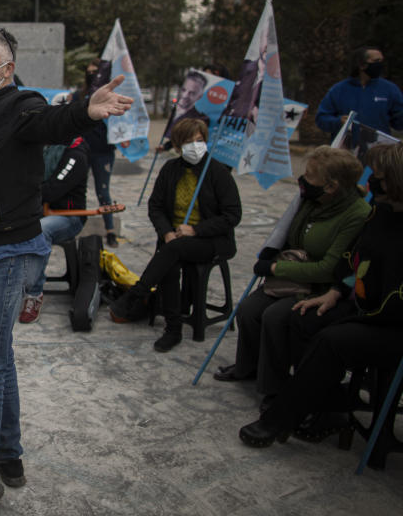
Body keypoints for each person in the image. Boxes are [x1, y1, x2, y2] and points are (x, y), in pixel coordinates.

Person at [0, 20, 132, 515]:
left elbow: (52, 123)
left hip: (9, 252)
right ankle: (8, 457)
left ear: (8, 69)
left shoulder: (22, 106)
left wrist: (85, 111)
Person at [238, 143, 403, 458]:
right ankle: (325, 405)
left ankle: (280, 419)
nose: (371, 183)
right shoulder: (381, 213)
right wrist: (337, 291)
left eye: (379, 177)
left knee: (330, 339)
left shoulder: (365, 213)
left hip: (390, 320)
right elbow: (352, 259)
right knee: (303, 318)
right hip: (361, 304)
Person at [213, 146, 370, 395]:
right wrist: (272, 253)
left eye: (309, 175)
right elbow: (289, 234)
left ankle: (273, 387)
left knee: (275, 317)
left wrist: (276, 267)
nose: (302, 180)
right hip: (292, 275)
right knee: (248, 310)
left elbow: (328, 268)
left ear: (331, 186)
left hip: (320, 286)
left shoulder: (356, 214)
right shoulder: (311, 201)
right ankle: (248, 366)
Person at [108, 119, 242, 351]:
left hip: (211, 241)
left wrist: (196, 229)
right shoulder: (171, 169)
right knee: (171, 256)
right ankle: (173, 328)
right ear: (178, 146)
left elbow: (232, 215)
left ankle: (137, 294)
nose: (196, 146)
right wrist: (167, 232)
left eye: (200, 141)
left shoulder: (217, 171)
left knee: (171, 251)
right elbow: (156, 206)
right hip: (175, 240)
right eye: (189, 142)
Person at [18, 135, 91, 324]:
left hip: (68, 216)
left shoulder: (76, 155)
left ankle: (33, 294)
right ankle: (12, 284)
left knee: (41, 230)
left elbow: (52, 190)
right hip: (40, 210)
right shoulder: (46, 149)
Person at [315, 46, 403, 138]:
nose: (380, 64)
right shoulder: (339, 90)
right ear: (361, 65)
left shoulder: (390, 89)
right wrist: (338, 121)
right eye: (376, 61)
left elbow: (398, 122)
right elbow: (321, 119)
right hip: (346, 148)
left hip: (379, 149)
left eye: (381, 61)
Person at [81, 58, 121, 247]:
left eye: (94, 72)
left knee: (103, 191)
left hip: (103, 151)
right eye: (88, 72)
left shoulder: (111, 96)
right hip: (82, 151)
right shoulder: (81, 96)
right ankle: (75, 223)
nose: (91, 75)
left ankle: (110, 230)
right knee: (77, 188)